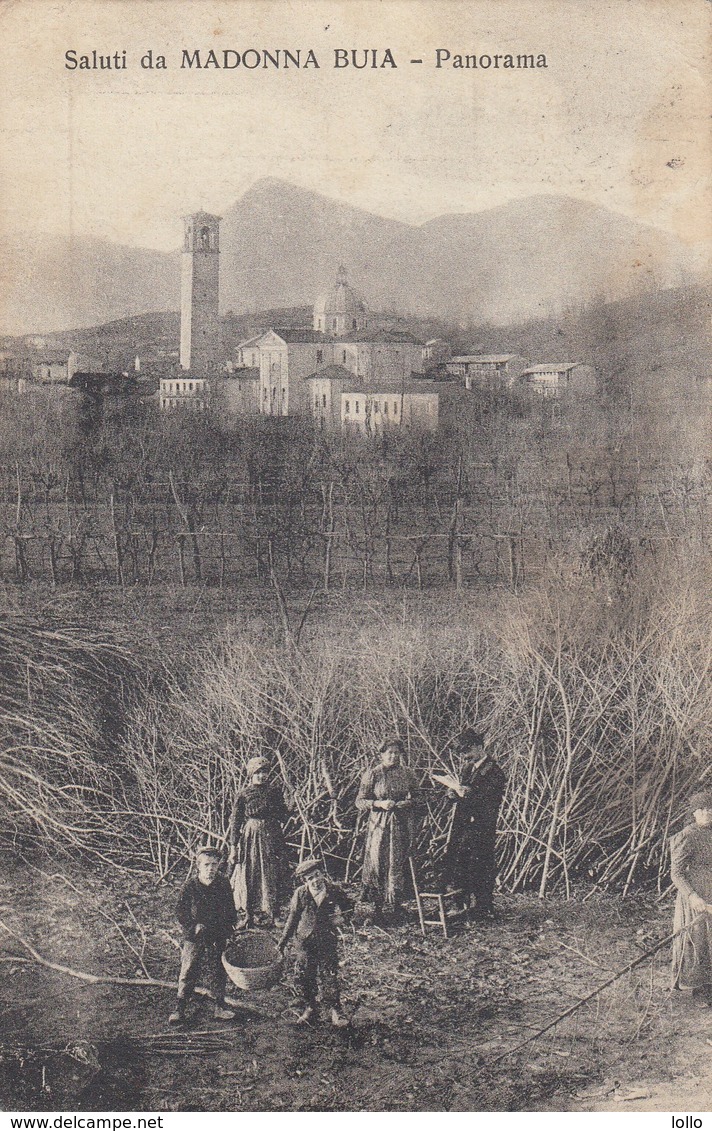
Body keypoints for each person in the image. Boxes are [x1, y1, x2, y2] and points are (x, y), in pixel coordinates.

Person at [278, 858, 353, 1027]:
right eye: (310, 878)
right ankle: (311, 1007)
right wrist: (282, 943)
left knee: (329, 974)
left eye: (317, 875)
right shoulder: (301, 893)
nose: (315, 880)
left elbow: (349, 905)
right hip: (305, 941)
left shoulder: (333, 890)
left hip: (327, 939)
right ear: (305, 881)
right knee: (305, 975)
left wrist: (343, 918)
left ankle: (336, 1009)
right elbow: (293, 918)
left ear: (323, 874)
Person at [439, 728, 506, 918]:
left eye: (466, 752)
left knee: (482, 863)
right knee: (459, 861)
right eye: (461, 754)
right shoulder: (467, 768)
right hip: (463, 823)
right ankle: (460, 903)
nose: (464, 757)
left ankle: (484, 905)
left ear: (478, 747)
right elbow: (460, 792)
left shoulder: (493, 771)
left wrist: (469, 793)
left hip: (482, 824)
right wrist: (452, 794)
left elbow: (491, 800)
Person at [169, 846, 238, 1024]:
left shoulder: (223, 883)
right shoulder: (191, 886)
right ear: (198, 866)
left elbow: (230, 909)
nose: (211, 869)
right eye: (206, 864)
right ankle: (180, 1008)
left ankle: (219, 1007)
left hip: (218, 934)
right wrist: (193, 926)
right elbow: (180, 911)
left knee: (218, 970)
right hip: (196, 936)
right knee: (189, 969)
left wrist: (230, 929)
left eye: (214, 864)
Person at [356, 738, 419, 922]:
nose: (393, 756)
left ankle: (396, 906)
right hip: (379, 826)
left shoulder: (408, 773)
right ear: (382, 754)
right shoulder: (373, 774)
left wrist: (406, 803)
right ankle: (377, 908)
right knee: (377, 862)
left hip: (401, 823)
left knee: (398, 862)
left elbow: (419, 796)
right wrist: (379, 803)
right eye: (389, 752)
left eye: (396, 752)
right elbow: (359, 801)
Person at [228, 755, 290, 929]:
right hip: (251, 836)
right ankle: (249, 914)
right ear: (251, 774)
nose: (262, 776)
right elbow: (236, 821)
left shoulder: (274, 792)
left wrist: (288, 806)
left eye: (265, 772)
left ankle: (275, 913)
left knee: (275, 871)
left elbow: (283, 815)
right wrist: (233, 847)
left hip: (273, 835)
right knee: (251, 872)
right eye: (258, 772)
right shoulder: (243, 794)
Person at [670, 789, 712, 1003]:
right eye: (702, 809)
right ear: (695, 813)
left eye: (710, 809)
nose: (707, 813)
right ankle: (701, 990)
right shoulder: (688, 835)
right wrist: (693, 896)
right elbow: (676, 873)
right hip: (696, 895)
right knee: (699, 940)